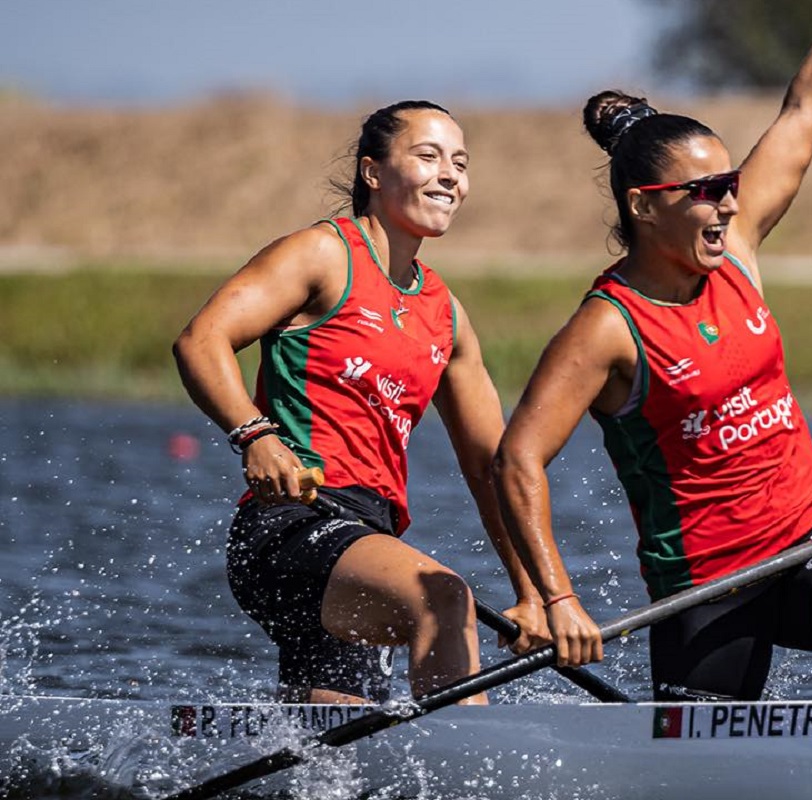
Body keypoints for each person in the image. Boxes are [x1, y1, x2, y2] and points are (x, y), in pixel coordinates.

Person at [493, 0, 812, 701]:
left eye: (729, 186)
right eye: (705, 192)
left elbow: (806, 111)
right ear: (642, 206)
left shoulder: (737, 252)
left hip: (811, 532)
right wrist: (558, 598)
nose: (728, 204)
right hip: (706, 580)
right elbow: (517, 460)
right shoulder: (606, 328)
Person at [174, 100, 547, 705]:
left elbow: (490, 467)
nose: (450, 175)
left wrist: (534, 592)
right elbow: (201, 339)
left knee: (335, 758)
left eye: (460, 161)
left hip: (367, 541)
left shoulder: (447, 315)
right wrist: (256, 435)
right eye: (428, 157)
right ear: (373, 173)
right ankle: (472, 772)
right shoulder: (322, 255)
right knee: (443, 598)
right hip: (292, 523)